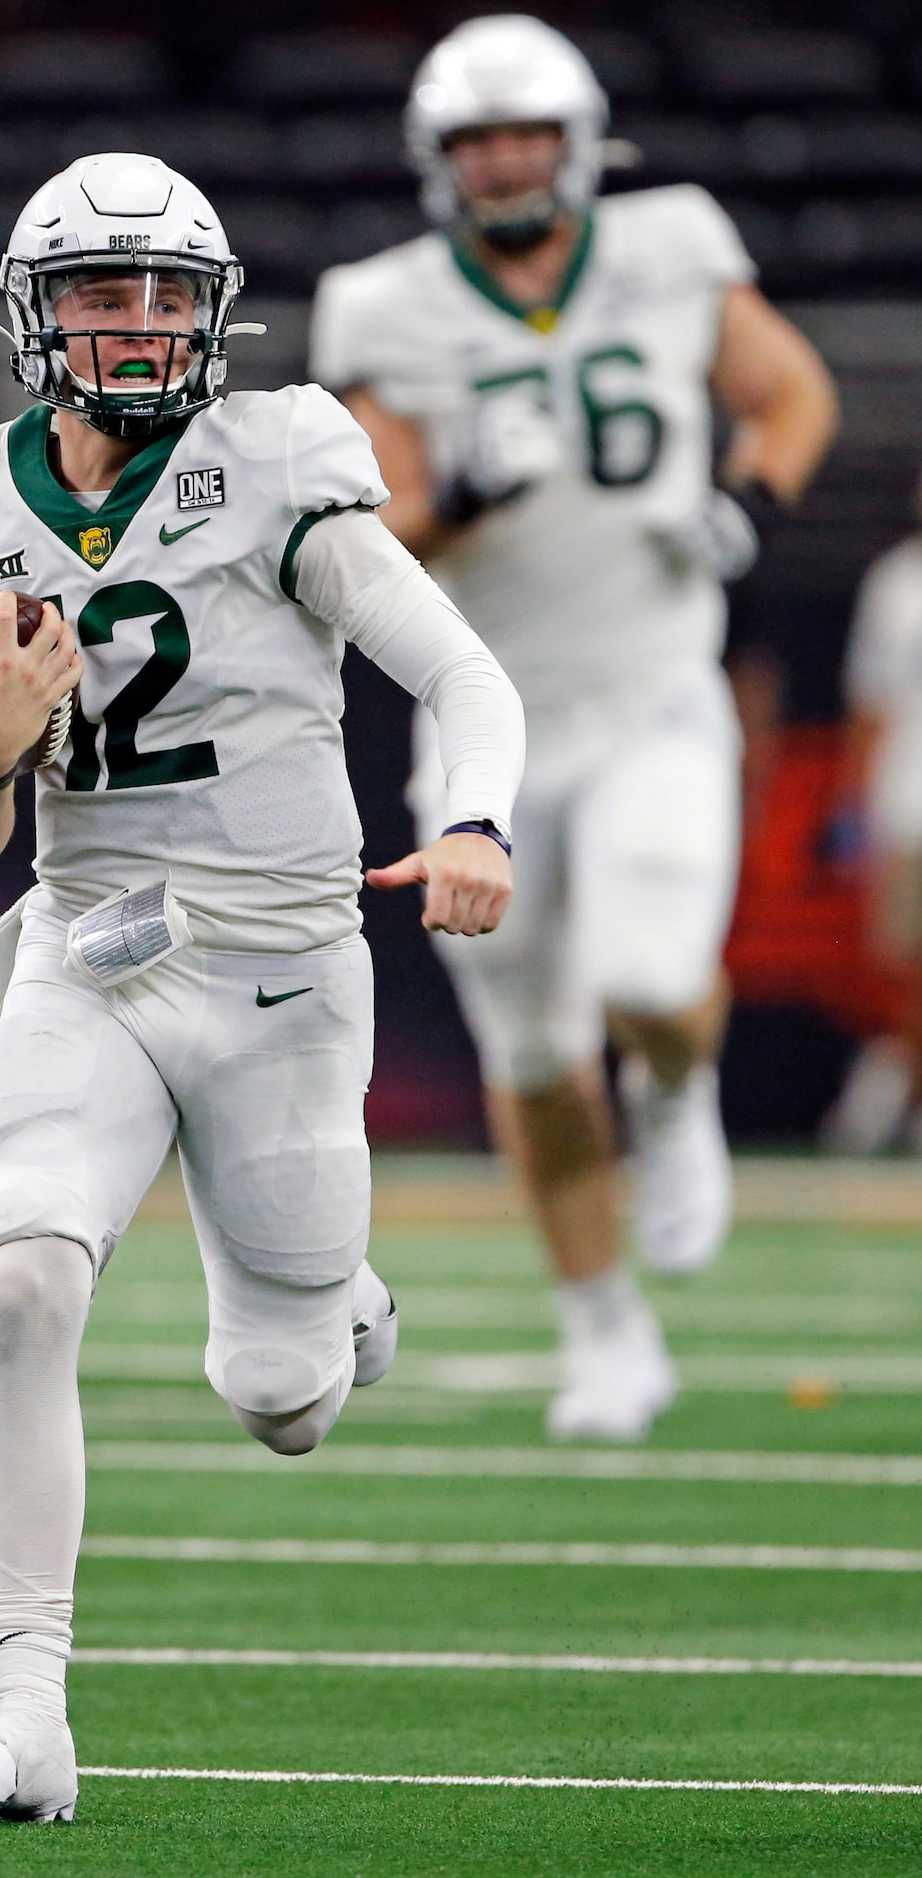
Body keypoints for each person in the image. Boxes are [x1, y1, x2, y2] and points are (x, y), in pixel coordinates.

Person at [0, 152, 525, 1826]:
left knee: (280, 1401)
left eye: (171, 292)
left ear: (214, 312)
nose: (144, 321)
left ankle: (343, 1309)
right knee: (23, 1277)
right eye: (106, 292)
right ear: (36, 318)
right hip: (80, 947)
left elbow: (458, 671)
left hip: (276, 972)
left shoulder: (277, 467)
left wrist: (471, 817)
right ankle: (26, 1713)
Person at [310, 15, 837, 1442]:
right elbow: (367, 526)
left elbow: (791, 392)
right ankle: (603, 1331)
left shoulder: (670, 244)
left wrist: (748, 503)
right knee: (535, 1058)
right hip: (486, 719)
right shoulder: (385, 302)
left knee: (656, 974)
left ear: (579, 139)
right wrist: (463, 488)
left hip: (656, 688)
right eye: (476, 140)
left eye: (525, 134)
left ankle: (678, 1096)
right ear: (438, 158)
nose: (503, 163)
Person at [823, 468, 922, 1153]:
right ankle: (896, 1071)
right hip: (907, 802)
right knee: (901, 961)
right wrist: (854, 805)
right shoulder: (897, 584)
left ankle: (889, 1080)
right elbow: (868, 706)